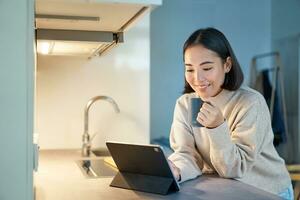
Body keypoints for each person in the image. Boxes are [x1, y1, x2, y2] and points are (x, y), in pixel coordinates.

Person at [167, 27, 293, 199]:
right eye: (189, 69)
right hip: (227, 191)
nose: (197, 78)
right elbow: (188, 154)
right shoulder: (187, 104)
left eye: (207, 68)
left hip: (269, 192)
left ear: (227, 65)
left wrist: (217, 126)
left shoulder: (250, 103)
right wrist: (177, 170)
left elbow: (234, 168)